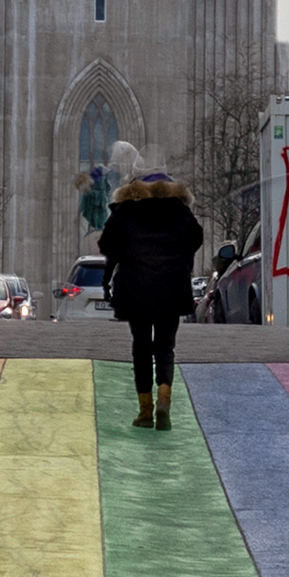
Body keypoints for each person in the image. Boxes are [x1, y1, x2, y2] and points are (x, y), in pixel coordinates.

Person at [101, 140, 205, 429]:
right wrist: (180, 258)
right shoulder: (178, 208)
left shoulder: (126, 209)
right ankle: (164, 400)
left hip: (136, 287)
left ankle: (145, 411)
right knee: (165, 347)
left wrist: (108, 278)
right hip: (171, 287)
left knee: (141, 347)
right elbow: (196, 237)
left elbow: (109, 244)